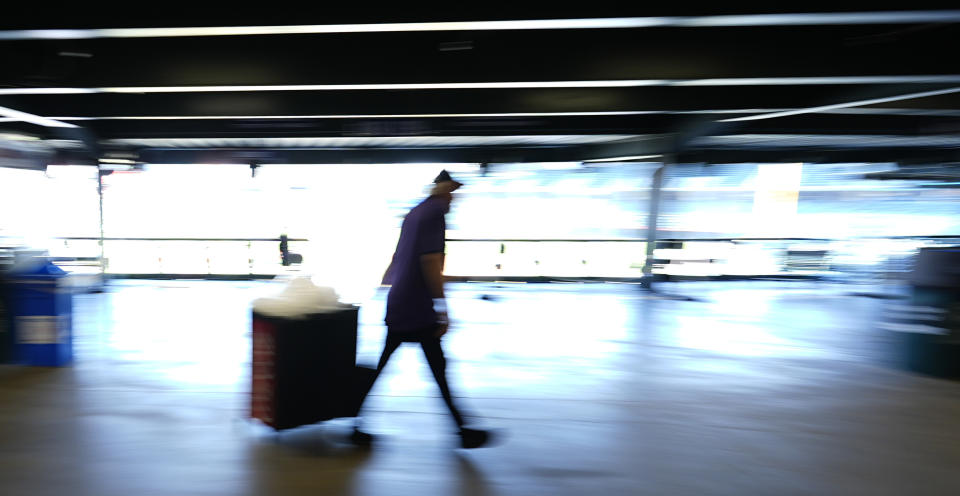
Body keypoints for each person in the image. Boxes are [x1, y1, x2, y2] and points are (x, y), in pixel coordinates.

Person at [352, 170, 492, 449]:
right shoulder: (434, 215)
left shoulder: (414, 213)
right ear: (441, 191)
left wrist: (389, 288)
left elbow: (397, 259)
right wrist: (442, 308)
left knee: (400, 366)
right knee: (438, 370)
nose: (454, 198)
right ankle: (462, 430)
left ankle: (354, 423)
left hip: (401, 301)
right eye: (451, 192)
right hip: (417, 307)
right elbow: (430, 263)